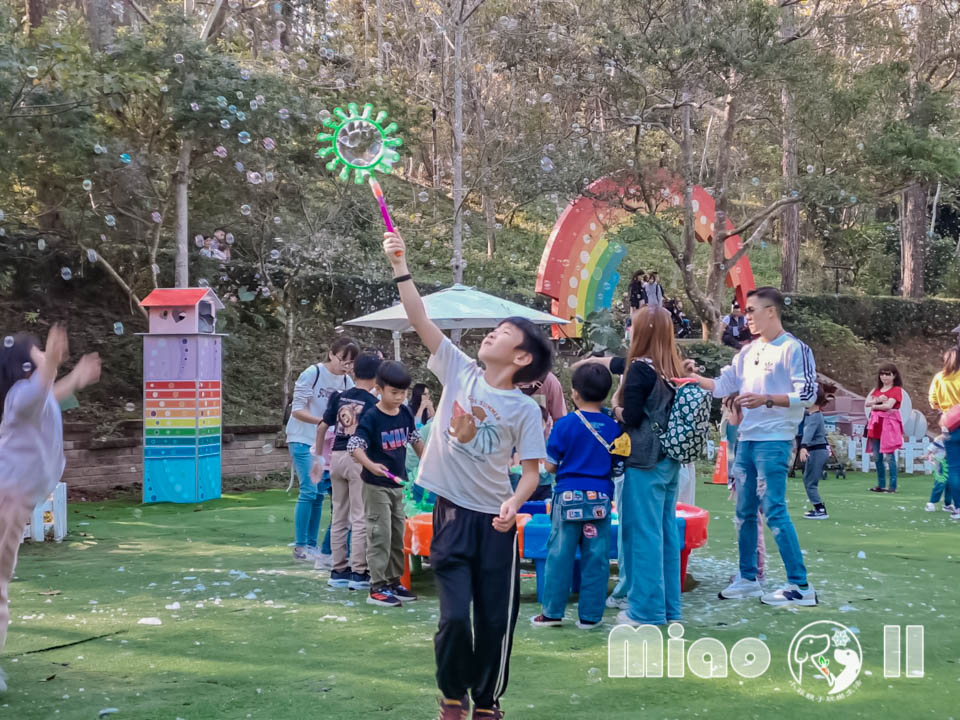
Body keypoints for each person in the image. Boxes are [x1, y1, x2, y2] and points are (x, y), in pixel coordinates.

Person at [382, 229, 551, 720]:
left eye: (502, 333)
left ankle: (486, 703)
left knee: (495, 621)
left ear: (521, 358)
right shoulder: (458, 370)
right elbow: (419, 318)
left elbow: (531, 472)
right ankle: (452, 696)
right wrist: (400, 265)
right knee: (454, 617)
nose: (491, 334)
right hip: (451, 518)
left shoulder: (522, 409)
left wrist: (515, 504)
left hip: (496, 527)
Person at [689, 286, 818, 607]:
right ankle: (749, 578)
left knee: (774, 509)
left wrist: (767, 399)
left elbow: (809, 394)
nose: (746, 317)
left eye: (751, 310)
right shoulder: (746, 353)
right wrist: (692, 377)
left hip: (775, 442)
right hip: (746, 441)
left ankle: (800, 586)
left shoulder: (794, 349)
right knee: (743, 512)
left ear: (771, 312)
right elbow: (722, 387)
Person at [0, 326, 101, 692]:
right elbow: (41, 388)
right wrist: (56, 361)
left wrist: (73, 378)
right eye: (39, 350)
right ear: (27, 365)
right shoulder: (21, 397)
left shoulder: (31, 400)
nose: (45, 352)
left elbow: (49, 393)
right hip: (7, 499)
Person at [607, 306, 687, 627]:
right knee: (665, 533)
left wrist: (615, 407)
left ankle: (645, 610)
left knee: (643, 536)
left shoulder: (640, 369)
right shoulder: (671, 368)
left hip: (643, 461)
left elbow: (633, 416)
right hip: (669, 460)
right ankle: (668, 607)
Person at [530, 364, 622, 629]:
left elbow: (550, 466)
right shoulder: (613, 427)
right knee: (597, 557)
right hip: (600, 502)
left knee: (559, 555)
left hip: (567, 498)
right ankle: (591, 617)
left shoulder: (565, 425)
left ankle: (552, 614)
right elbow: (617, 466)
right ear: (606, 394)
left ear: (575, 394)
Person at [348, 361, 424, 607]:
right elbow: (354, 446)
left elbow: (415, 439)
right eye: (394, 392)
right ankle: (377, 586)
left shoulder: (404, 413)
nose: (400, 398)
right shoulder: (372, 416)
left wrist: (429, 464)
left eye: (403, 393)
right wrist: (371, 466)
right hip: (375, 485)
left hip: (397, 485)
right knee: (379, 533)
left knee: (395, 534)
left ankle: (393, 582)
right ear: (379, 389)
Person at [285, 337, 359, 565]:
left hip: (325, 443)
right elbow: (297, 410)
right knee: (309, 490)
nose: (345, 367)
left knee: (318, 494)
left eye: (350, 363)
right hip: (302, 437)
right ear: (330, 354)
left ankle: (311, 544)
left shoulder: (347, 382)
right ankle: (300, 546)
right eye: (342, 360)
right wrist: (325, 422)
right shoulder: (312, 373)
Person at [318, 352, 382, 590]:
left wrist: (318, 456)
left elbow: (323, 426)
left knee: (339, 516)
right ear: (376, 377)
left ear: (354, 372)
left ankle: (338, 570)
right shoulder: (375, 404)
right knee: (360, 516)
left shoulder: (338, 397)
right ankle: (359, 572)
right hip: (358, 460)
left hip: (336, 458)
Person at [721, 395, 766, 582]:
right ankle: (753, 569)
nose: (724, 413)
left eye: (728, 409)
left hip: (750, 482)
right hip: (744, 480)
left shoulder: (746, 435)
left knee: (752, 523)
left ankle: (756, 570)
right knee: (750, 522)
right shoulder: (738, 431)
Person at [929, 347, 960, 520]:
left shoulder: (939, 377)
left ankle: (958, 507)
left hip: (949, 423)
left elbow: (933, 402)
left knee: (954, 468)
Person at [865, 363, 904, 493]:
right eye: (882, 374)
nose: (884, 377)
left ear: (894, 375)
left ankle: (892, 486)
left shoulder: (896, 390)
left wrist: (875, 405)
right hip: (876, 425)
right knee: (877, 457)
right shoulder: (877, 390)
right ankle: (881, 484)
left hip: (888, 425)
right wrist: (877, 401)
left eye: (888, 374)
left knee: (890, 456)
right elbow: (867, 403)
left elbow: (888, 406)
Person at [799, 383, 837, 519]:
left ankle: (820, 509)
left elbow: (809, 433)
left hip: (817, 451)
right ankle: (818, 507)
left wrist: (803, 447)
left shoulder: (815, 416)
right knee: (808, 480)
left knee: (810, 482)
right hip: (816, 451)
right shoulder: (811, 414)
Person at [924, 435, 954, 513]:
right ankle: (931, 502)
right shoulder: (941, 438)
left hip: (953, 462)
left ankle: (948, 504)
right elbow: (932, 447)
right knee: (940, 482)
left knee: (951, 484)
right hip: (942, 462)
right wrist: (928, 455)